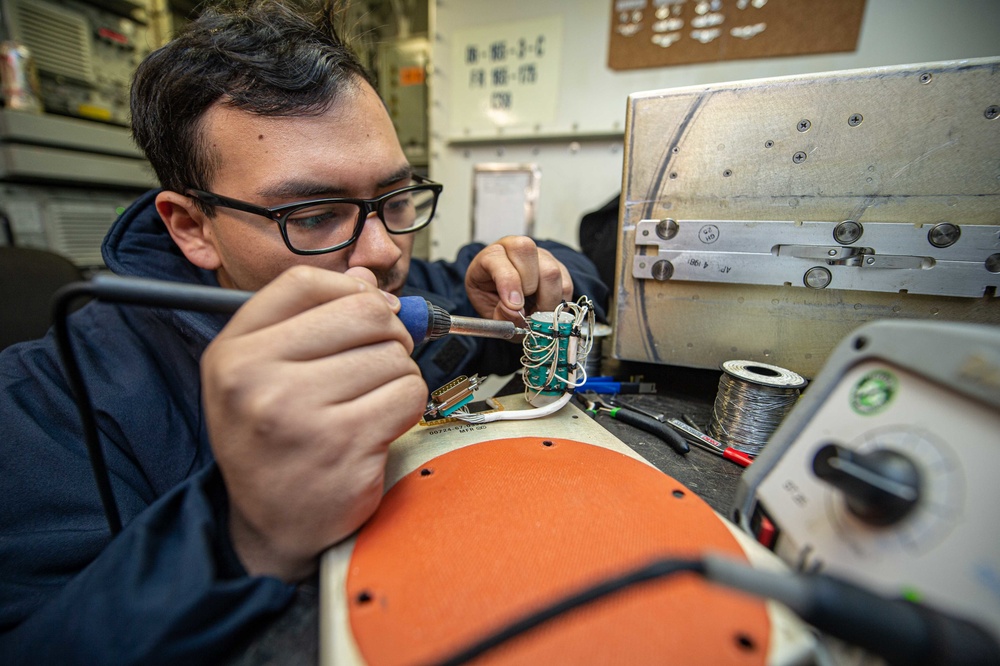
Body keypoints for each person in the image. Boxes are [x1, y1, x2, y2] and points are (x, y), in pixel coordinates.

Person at [0, 1, 607, 663]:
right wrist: (241, 535)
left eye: (396, 198)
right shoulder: (40, 408)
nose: (380, 251)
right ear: (190, 227)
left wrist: (543, 278)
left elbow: (552, 265)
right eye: (316, 214)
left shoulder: (408, 291)